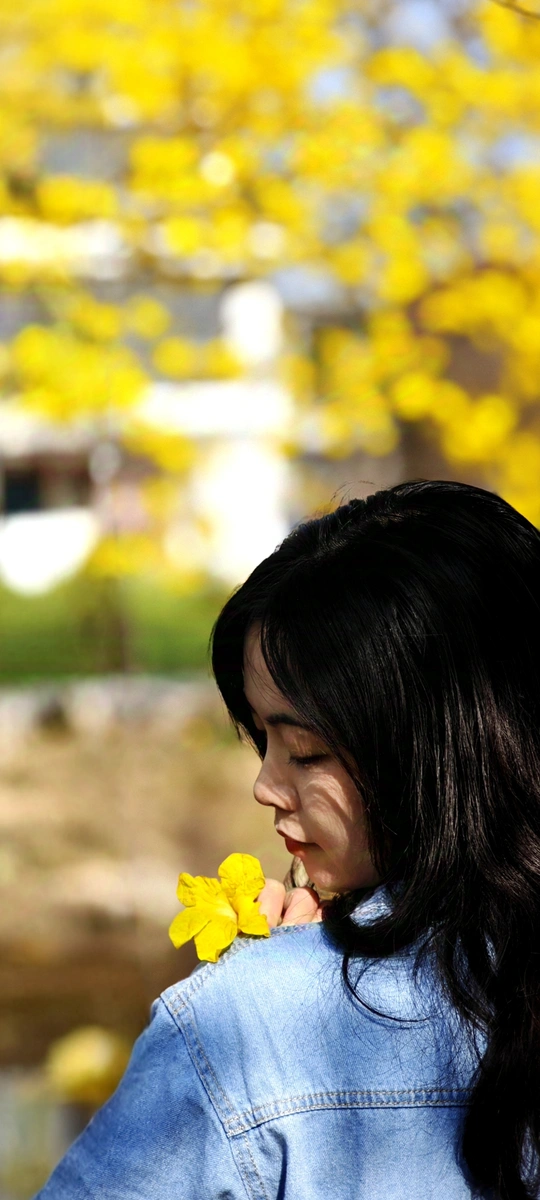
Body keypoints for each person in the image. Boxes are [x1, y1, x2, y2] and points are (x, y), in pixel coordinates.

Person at [33, 478, 540, 1200]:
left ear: (443, 754)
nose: (265, 787)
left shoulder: (244, 1032)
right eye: (261, 740)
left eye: (305, 751)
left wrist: (273, 992)